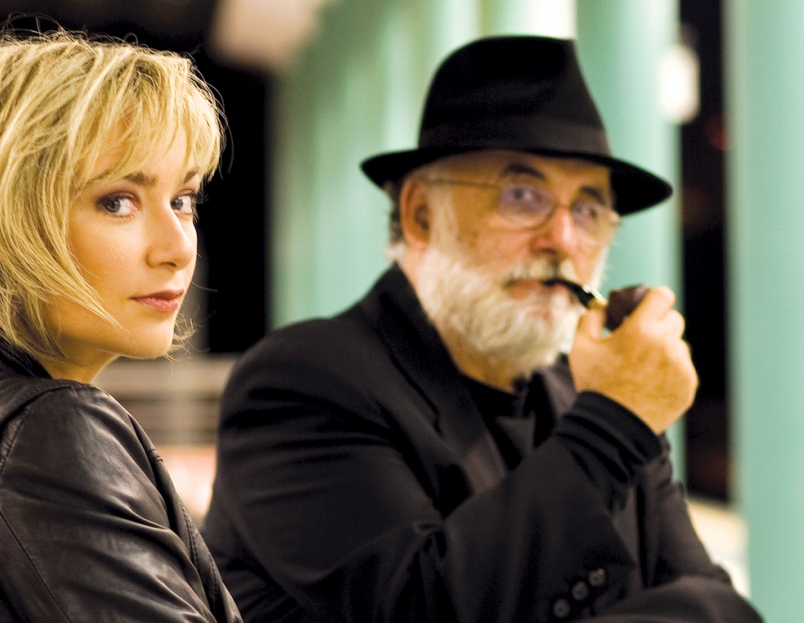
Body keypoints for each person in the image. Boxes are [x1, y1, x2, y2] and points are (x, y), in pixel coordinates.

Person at [203, 36, 762, 622]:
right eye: (522, 196)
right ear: (421, 215)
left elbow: (716, 606)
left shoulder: (585, 391)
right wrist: (618, 420)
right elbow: (421, 609)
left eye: (588, 209)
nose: (564, 240)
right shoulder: (301, 382)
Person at [0, 31, 241, 622]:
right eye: (118, 201)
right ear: (0, 220)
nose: (177, 247)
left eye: (183, 199)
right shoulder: (46, 432)